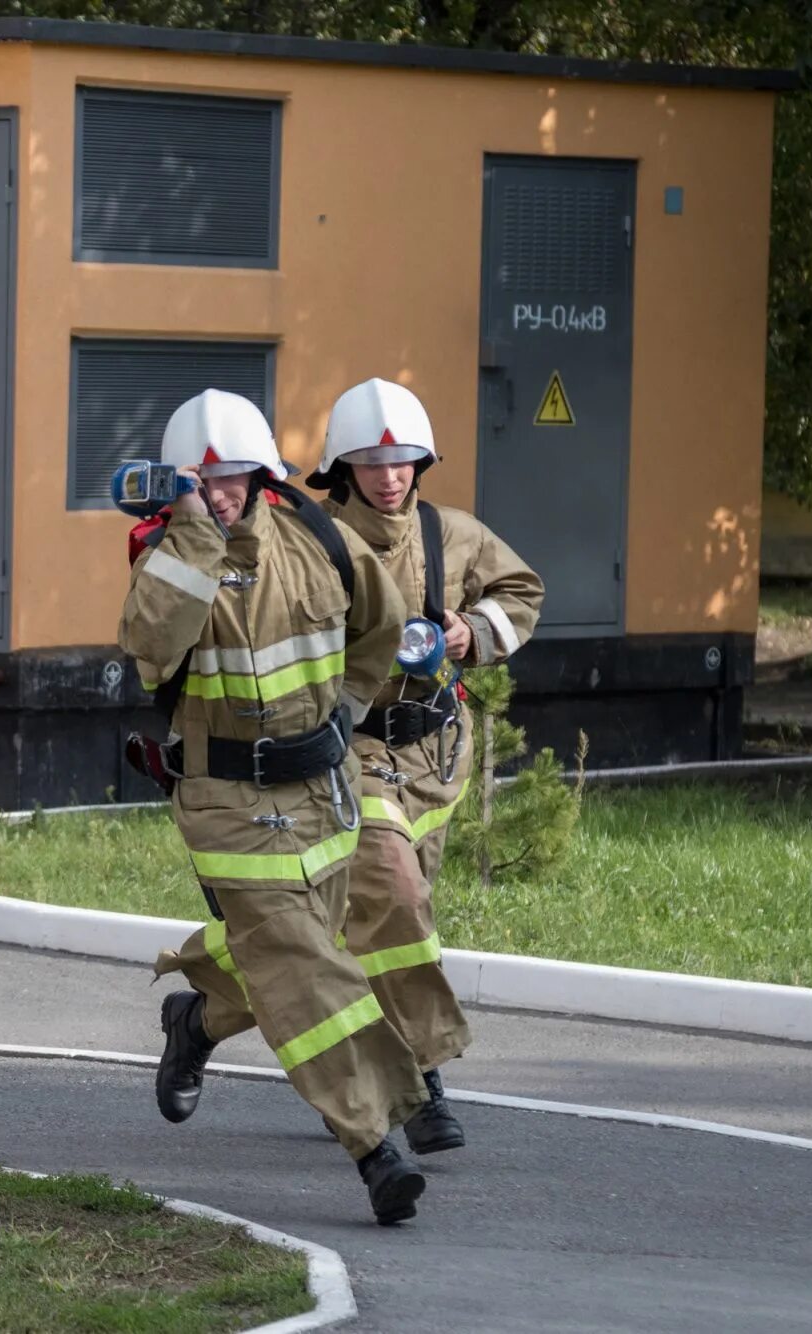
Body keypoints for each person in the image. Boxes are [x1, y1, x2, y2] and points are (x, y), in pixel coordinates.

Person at [126, 387, 433, 1225]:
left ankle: (196, 1020)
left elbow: (384, 623)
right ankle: (376, 1146)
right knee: (304, 965)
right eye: (205, 480)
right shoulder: (168, 556)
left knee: (287, 960)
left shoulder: (319, 538)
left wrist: (351, 705)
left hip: (320, 792)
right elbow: (150, 650)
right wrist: (189, 531)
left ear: (266, 474)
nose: (222, 493)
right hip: (223, 799)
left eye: (236, 478)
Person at [312, 377, 545, 1152]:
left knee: (375, 923)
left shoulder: (453, 535)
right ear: (342, 466)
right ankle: (425, 1080)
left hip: (438, 752)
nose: (390, 474)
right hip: (351, 749)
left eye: (405, 459)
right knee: (398, 903)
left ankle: (203, 1017)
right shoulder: (313, 538)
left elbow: (523, 590)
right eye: (373, 461)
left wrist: (471, 630)